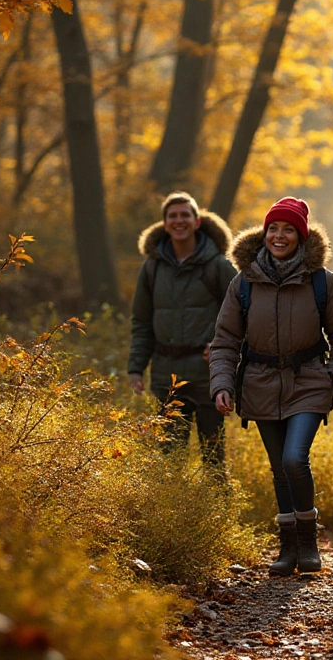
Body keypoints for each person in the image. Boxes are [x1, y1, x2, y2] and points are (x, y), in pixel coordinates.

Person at [209, 197, 333, 576]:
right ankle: (288, 548)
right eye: (273, 228)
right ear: (264, 233)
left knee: (295, 458)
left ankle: (308, 541)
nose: (279, 235)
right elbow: (226, 339)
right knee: (279, 468)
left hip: (308, 381)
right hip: (259, 383)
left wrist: (332, 375)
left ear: (301, 236)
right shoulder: (244, 282)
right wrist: (221, 385)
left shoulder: (322, 281)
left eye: (288, 229)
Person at [128, 192, 237, 468]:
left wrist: (221, 348)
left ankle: (219, 508)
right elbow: (141, 322)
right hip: (166, 375)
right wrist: (135, 368)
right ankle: (173, 511)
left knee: (214, 459)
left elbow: (242, 315)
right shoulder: (151, 268)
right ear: (164, 224)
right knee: (169, 459)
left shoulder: (219, 266)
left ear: (197, 221)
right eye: (172, 216)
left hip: (208, 376)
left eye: (185, 215)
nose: (179, 221)